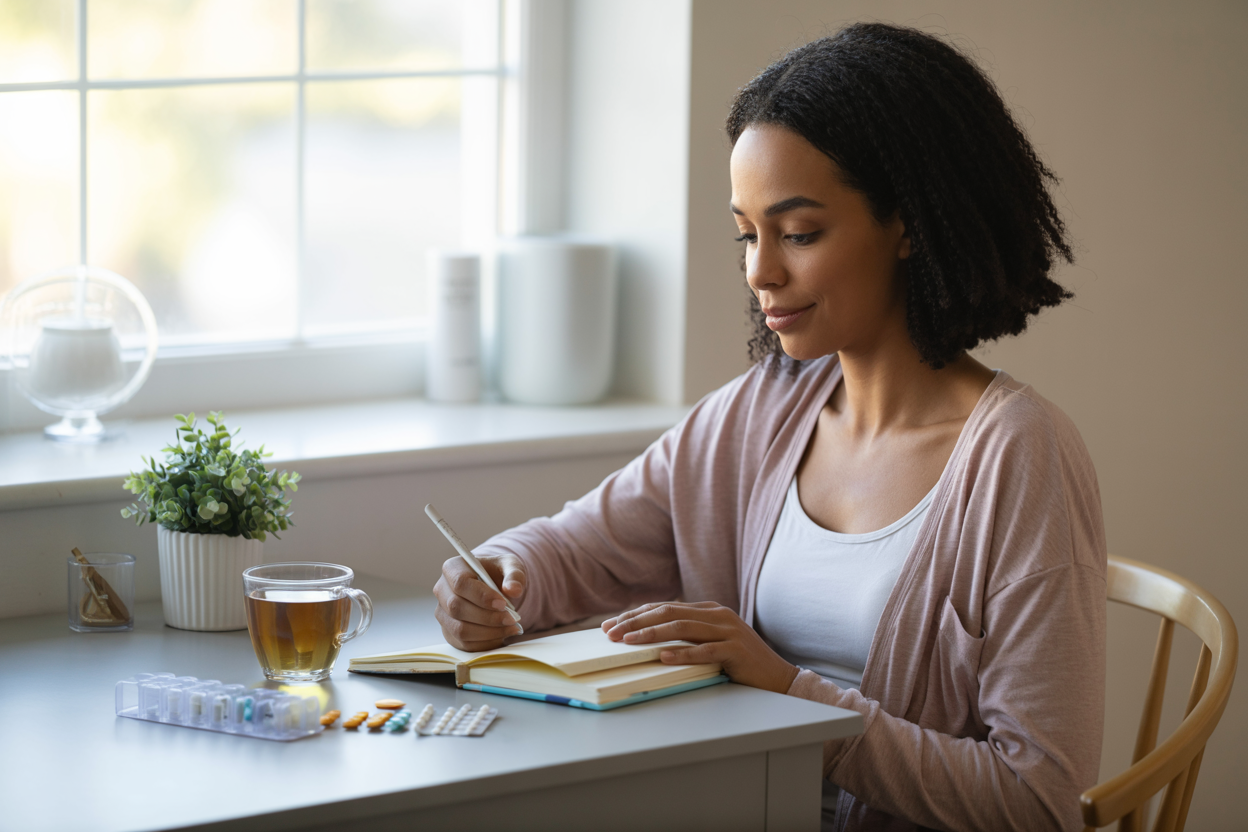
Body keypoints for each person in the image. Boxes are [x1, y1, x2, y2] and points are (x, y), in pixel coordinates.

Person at [433, 22, 1106, 832]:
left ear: (910, 225)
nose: (760, 271)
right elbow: (577, 548)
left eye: (799, 234)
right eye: (748, 235)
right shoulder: (764, 409)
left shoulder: (1020, 454)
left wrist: (788, 695)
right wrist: (502, 574)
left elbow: (1038, 801)